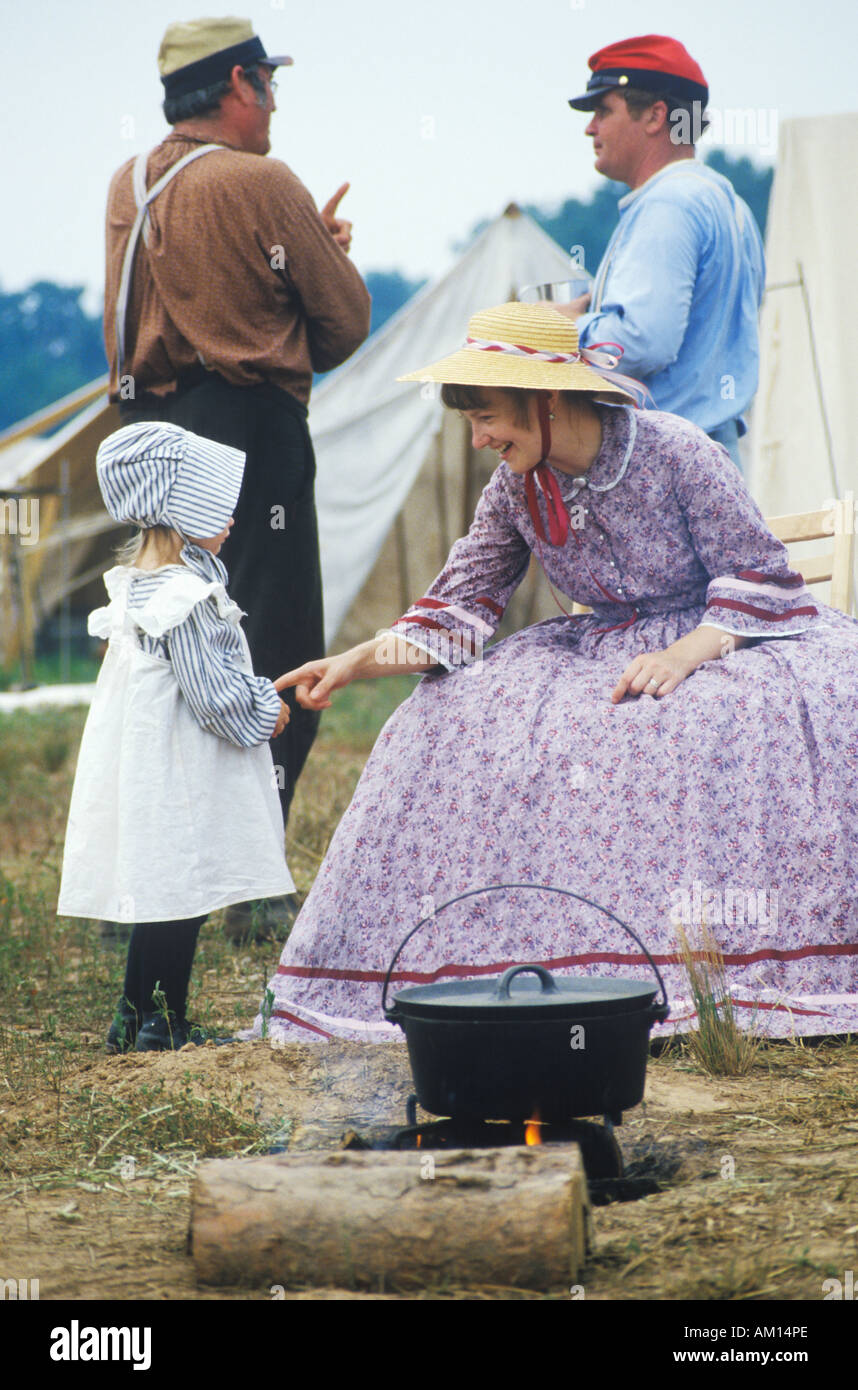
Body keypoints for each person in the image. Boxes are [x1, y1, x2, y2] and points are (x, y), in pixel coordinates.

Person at [245, 301, 858, 1045]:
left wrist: (680, 656)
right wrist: (352, 663)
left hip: (720, 638)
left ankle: (707, 976)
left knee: (691, 723)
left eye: (487, 415)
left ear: (548, 399)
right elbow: (459, 609)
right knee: (440, 718)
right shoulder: (513, 489)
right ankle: (507, 966)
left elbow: (757, 574)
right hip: (599, 644)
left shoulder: (676, 451)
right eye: (469, 420)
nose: (478, 439)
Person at [102, 16, 371, 886]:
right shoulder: (263, 182)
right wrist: (319, 258)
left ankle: (141, 879)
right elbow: (343, 325)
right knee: (276, 646)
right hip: (248, 430)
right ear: (239, 86)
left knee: (163, 649)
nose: (274, 102)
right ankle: (251, 879)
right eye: (269, 82)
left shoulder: (128, 184)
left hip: (150, 437)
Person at [58, 422, 296, 1051]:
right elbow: (213, 694)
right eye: (220, 508)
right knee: (184, 894)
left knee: (163, 890)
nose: (233, 519)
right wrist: (264, 708)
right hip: (184, 766)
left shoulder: (141, 582)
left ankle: (132, 1017)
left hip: (153, 761)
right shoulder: (184, 596)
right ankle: (166, 1024)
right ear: (185, 512)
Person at [565, 34, 764, 471]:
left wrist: (563, 328)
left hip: (668, 467)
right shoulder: (727, 202)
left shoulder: (667, 203)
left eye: (603, 110)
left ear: (655, 116)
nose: (590, 127)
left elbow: (643, 341)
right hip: (712, 458)